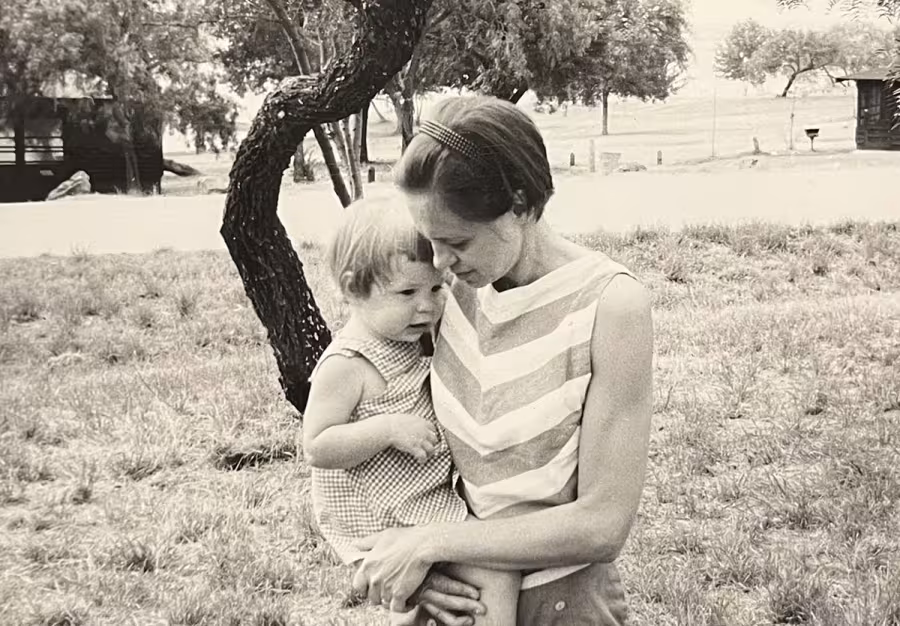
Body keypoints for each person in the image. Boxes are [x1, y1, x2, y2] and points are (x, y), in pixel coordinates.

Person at [350, 96, 654, 626]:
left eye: (457, 241)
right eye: (429, 240)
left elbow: (603, 525)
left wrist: (430, 543)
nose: (439, 261)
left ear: (519, 202)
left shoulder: (610, 305)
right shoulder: (440, 292)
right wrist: (408, 561)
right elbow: (348, 414)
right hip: (458, 593)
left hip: (561, 601)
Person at [302, 199, 522, 626]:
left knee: (439, 597)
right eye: (407, 293)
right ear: (353, 289)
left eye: (436, 288)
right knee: (495, 566)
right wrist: (385, 429)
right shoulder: (347, 364)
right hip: (381, 513)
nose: (427, 306)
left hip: (418, 500)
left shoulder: (408, 334)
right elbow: (317, 446)